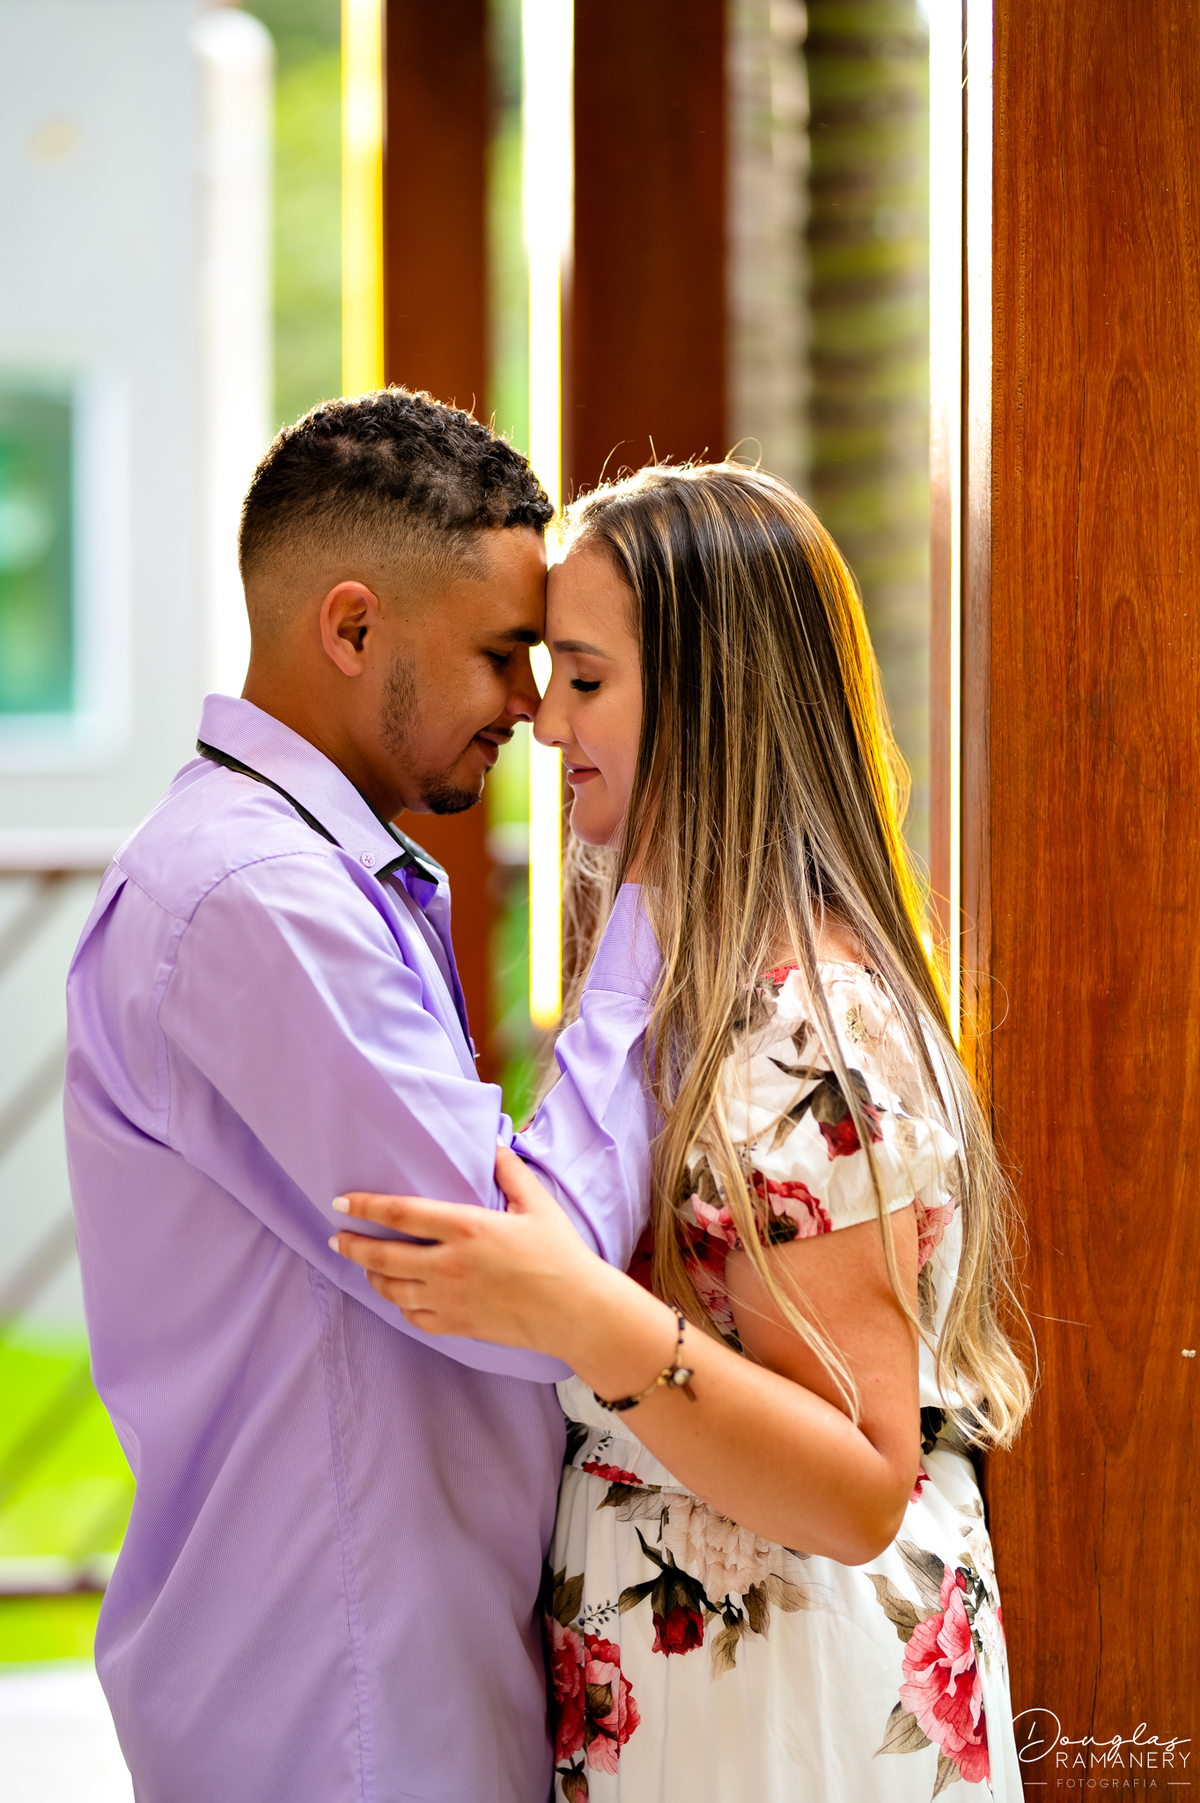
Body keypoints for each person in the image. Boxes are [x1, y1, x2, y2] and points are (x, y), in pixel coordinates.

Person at [332, 463, 1033, 1802]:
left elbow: (860, 1486)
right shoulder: (687, 981)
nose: (545, 722)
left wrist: (579, 1313)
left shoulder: (810, 1027)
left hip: (783, 1723)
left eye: (586, 680)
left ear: (713, 700)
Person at [63, 390, 662, 1803]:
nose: (533, 709)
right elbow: (529, 1283)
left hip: (373, 1686)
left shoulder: (284, 874)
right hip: (343, 1717)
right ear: (350, 629)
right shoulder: (255, 901)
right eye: (504, 655)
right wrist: (654, 913)